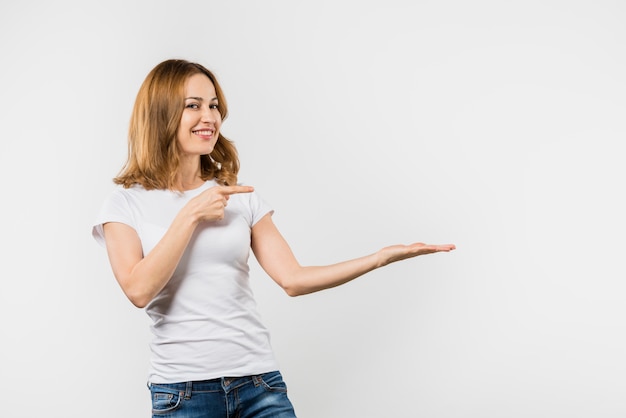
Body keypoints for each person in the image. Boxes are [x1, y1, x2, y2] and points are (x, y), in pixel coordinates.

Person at [92, 58, 455, 418]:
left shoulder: (239, 196)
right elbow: (138, 290)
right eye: (193, 106)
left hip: (259, 385)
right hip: (183, 394)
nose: (210, 117)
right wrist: (189, 215)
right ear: (160, 115)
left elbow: (293, 279)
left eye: (214, 105)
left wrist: (379, 258)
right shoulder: (126, 203)